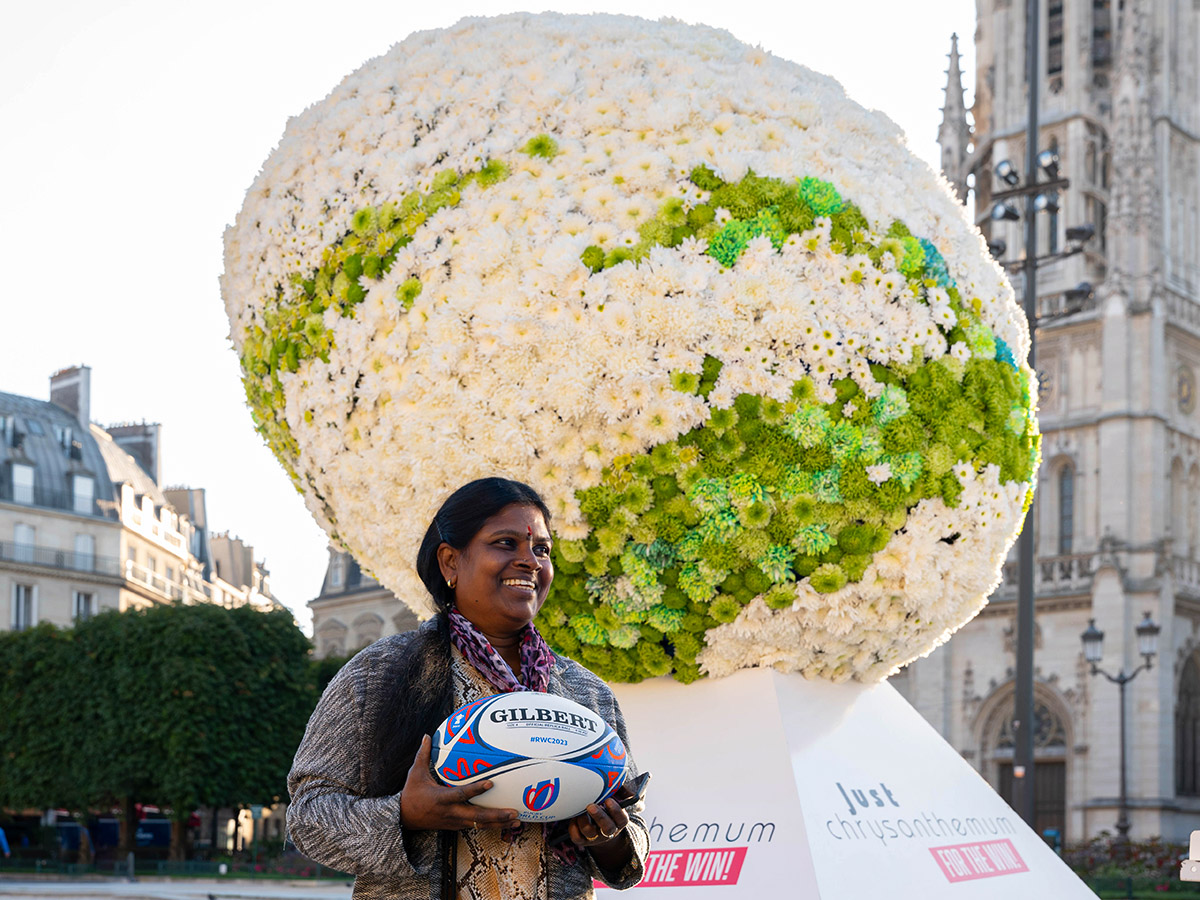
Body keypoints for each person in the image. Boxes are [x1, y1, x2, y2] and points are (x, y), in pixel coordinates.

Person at [288, 478, 649, 899]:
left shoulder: (587, 693)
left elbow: (632, 833)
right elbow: (308, 816)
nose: (530, 561)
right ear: (450, 563)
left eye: (542, 549)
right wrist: (403, 815)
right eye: (505, 543)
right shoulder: (376, 674)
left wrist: (608, 837)